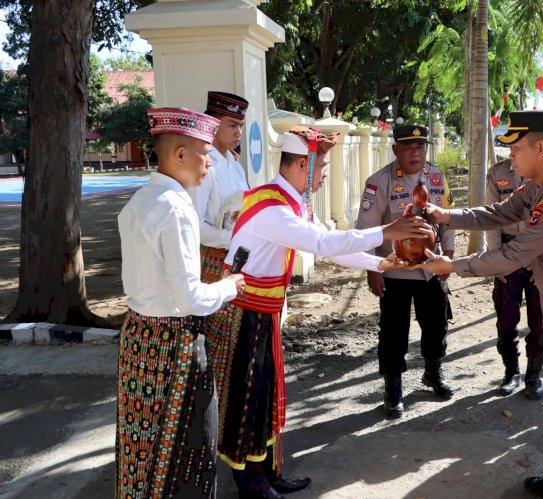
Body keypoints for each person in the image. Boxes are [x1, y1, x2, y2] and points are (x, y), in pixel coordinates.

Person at [219, 127, 432, 498]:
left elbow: (332, 251)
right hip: (247, 315)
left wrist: (381, 264)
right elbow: (322, 242)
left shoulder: (290, 203)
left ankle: (267, 472)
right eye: (322, 167)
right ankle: (250, 484)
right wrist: (387, 231)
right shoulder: (272, 208)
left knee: (266, 396)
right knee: (250, 401)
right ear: (304, 164)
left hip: (263, 313)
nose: (325, 174)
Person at [415, 111, 543, 499]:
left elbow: (515, 253)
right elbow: (498, 213)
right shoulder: (537, 186)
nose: (511, 156)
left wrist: (452, 266)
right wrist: (446, 216)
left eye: (517, 148)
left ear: (541, 148)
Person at [115, 107, 246, 498]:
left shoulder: (140, 200)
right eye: (205, 153)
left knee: (141, 446)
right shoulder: (177, 209)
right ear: (180, 156)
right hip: (176, 344)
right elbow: (191, 298)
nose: (210, 162)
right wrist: (229, 286)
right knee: (191, 453)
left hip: (139, 337)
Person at [356, 124, 456, 419]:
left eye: (421, 147)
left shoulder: (436, 177)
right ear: (396, 149)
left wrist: (448, 256)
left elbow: (447, 220)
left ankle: (432, 373)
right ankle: (393, 386)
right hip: (395, 272)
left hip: (431, 268)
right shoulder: (379, 183)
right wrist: (371, 270)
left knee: (437, 324)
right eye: (409, 147)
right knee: (394, 332)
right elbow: (366, 230)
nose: (416, 153)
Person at [189, 91, 252, 438]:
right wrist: (233, 240)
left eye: (240, 125)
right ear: (213, 125)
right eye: (231, 125)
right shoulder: (206, 164)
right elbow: (196, 224)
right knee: (217, 349)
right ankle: (213, 428)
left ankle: (230, 424)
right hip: (213, 264)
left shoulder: (234, 164)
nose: (237, 132)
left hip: (236, 262)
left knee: (236, 351)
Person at [485, 158, 543, 399]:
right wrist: (495, 259)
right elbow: (491, 217)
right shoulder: (497, 173)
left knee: (539, 319)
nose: (515, 151)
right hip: (507, 252)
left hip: (539, 254)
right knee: (506, 318)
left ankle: (534, 375)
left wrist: (541, 258)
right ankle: (511, 372)